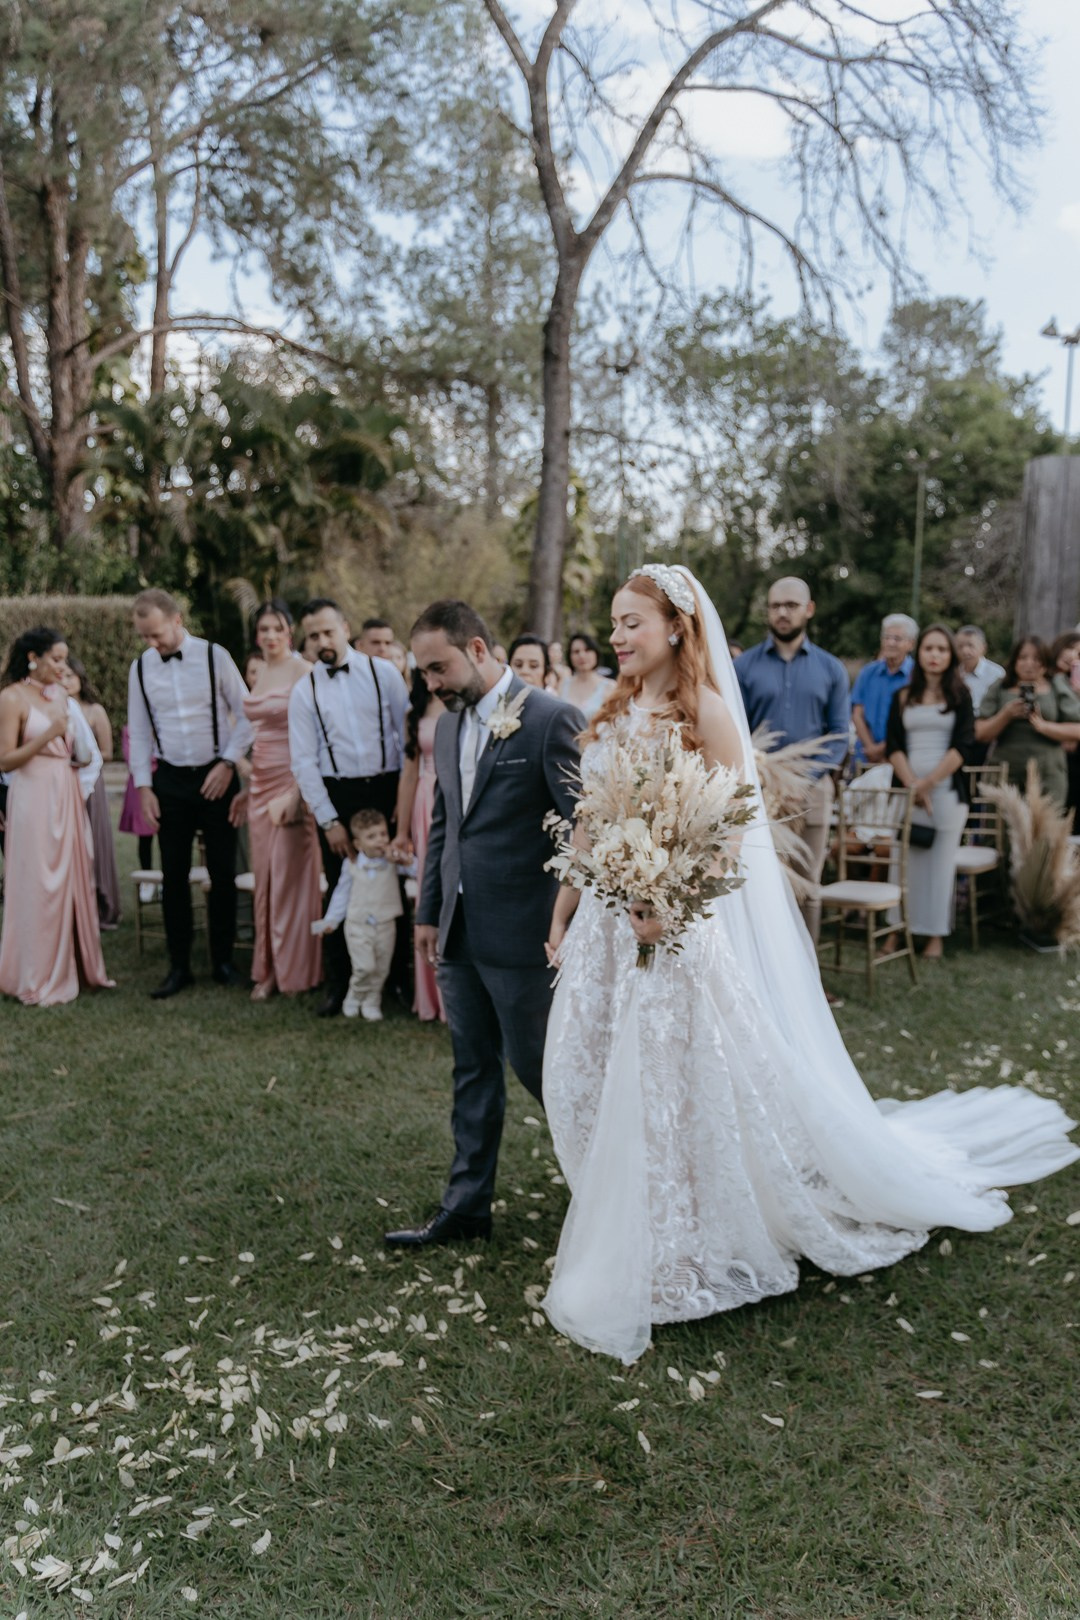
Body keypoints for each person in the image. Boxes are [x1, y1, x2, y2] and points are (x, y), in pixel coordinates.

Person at [540, 564, 1079, 1365]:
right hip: (606, 932)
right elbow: (588, 821)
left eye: (632, 624)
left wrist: (673, 900)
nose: (618, 638)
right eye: (614, 625)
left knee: (675, 1078)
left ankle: (682, 1236)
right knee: (587, 1069)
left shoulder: (709, 712)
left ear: (678, 628)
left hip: (677, 923)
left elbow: (731, 830)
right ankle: (625, 1209)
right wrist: (566, 909)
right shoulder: (612, 708)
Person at [384, 599, 584, 1249]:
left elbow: (586, 832)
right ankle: (467, 1207)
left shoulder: (552, 720)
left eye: (438, 667)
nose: (431, 684)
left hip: (528, 932)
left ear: (476, 650)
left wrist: (563, 925)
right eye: (423, 672)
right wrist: (429, 912)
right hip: (459, 931)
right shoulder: (444, 729)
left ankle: (611, 1192)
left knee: (547, 1073)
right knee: (471, 1068)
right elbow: (446, 828)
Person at [127, 588, 254, 999]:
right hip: (171, 782)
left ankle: (222, 961)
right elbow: (141, 732)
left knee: (222, 872)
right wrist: (145, 787)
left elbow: (248, 715)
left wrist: (228, 762)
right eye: (144, 636)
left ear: (177, 620)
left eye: (156, 634)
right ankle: (178, 966)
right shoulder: (141, 669)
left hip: (217, 774)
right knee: (174, 875)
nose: (152, 644)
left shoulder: (215, 656)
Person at [288, 598, 410, 1017]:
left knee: (396, 884)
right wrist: (328, 822)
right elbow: (303, 761)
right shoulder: (305, 691)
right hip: (338, 794)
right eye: (313, 636)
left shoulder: (385, 674)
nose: (321, 641)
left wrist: (402, 806)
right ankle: (338, 983)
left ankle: (397, 982)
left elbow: (406, 740)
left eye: (327, 632)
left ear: (344, 627)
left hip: (387, 790)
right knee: (340, 884)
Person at [0, 628, 113, 1006]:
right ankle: (34, 972)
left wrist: (76, 749)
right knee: (37, 880)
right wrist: (48, 733)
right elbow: (5, 759)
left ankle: (76, 965)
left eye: (65, 659)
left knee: (71, 875)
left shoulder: (62, 697)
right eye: (56, 659)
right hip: (32, 793)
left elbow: (79, 747)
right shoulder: (11, 697)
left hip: (64, 789)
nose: (63, 668)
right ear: (33, 657)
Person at [735, 577, 850, 945]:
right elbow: (735, 730)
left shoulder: (831, 669)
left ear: (808, 609)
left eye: (791, 605)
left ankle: (809, 981)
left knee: (807, 884)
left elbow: (838, 735)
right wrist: (763, 778)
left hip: (812, 792)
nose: (782, 613)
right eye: (775, 606)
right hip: (759, 791)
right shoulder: (744, 667)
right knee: (758, 884)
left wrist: (806, 780)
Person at [241, 600, 323, 1002]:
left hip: (291, 784)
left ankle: (296, 970)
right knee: (265, 883)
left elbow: (317, 737)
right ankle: (267, 968)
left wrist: (297, 793)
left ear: (289, 632)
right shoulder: (261, 672)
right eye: (263, 630)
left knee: (288, 880)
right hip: (258, 784)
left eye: (276, 628)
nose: (270, 636)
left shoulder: (304, 672)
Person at [885, 625, 975, 960]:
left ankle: (934, 935)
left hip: (946, 794)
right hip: (906, 792)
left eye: (941, 649)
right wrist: (912, 785)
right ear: (918, 653)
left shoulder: (960, 696)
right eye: (928, 649)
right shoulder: (903, 696)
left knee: (938, 868)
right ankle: (897, 929)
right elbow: (893, 743)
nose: (934, 655)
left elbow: (964, 745)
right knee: (904, 865)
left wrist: (928, 784)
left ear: (950, 655)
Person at [313, 808, 415, 1020]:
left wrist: (403, 859)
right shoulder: (351, 866)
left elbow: (417, 870)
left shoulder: (392, 863)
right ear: (358, 844)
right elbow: (341, 894)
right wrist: (332, 920)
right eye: (371, 836)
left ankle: (372, 1001)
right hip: (358, 924)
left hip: (386, 923)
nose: (379, 840)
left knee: (381, 967)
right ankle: (355, 995)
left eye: (383, 834)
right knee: (364, 966)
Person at [974, 637, 1080, 809]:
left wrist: (1043, 726)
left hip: (1048, 771)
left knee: (1044, 831)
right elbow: (980, 733)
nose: (1029, 664)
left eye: (1036, 659)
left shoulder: (1056, 686)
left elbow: (1077, 730)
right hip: (1005, 771)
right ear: (1014, 660)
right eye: (1023, 658)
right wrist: (1006, 715)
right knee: (1003, 830)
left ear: (1045, 662)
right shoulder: (1000, 686)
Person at [395, 668, 447, 1022]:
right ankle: (430, 995)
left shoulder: (463, 702)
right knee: (429, 891)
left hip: (457, 800)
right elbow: (409, 773)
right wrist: (401, 831)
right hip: (425, 804)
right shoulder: (415, 712)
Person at [62, 655, 122, 929]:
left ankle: (103, 902)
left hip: (91, 778)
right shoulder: (57, 707)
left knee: (94, 840)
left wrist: (84, 755)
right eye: (61, 676)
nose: (65, 681)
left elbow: (107, 752)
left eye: (70, 676)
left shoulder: (94, 710)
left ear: (80, 678)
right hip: (64, 781)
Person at [850, 614, 917, 765]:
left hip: (902, 757)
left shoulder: (917, 676)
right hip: (865, 755)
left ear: (911, 644)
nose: (890, 643)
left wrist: (884, 749)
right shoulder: (868, 672)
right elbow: (857, 713)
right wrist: (870, 747)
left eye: (897, 639)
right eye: (886, 637)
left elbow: (914, 719)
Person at [560, 632, 609, 722]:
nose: (582, 655)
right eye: (576, 652)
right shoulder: (562, 685)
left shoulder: (610, 687)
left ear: (596, 653)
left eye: (587, 650)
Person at [956, 625, 1005, 710]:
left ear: (983, 647)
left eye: (970, 645)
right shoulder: (953, 673)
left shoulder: (997, 674)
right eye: (960, 646)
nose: (965, 651)